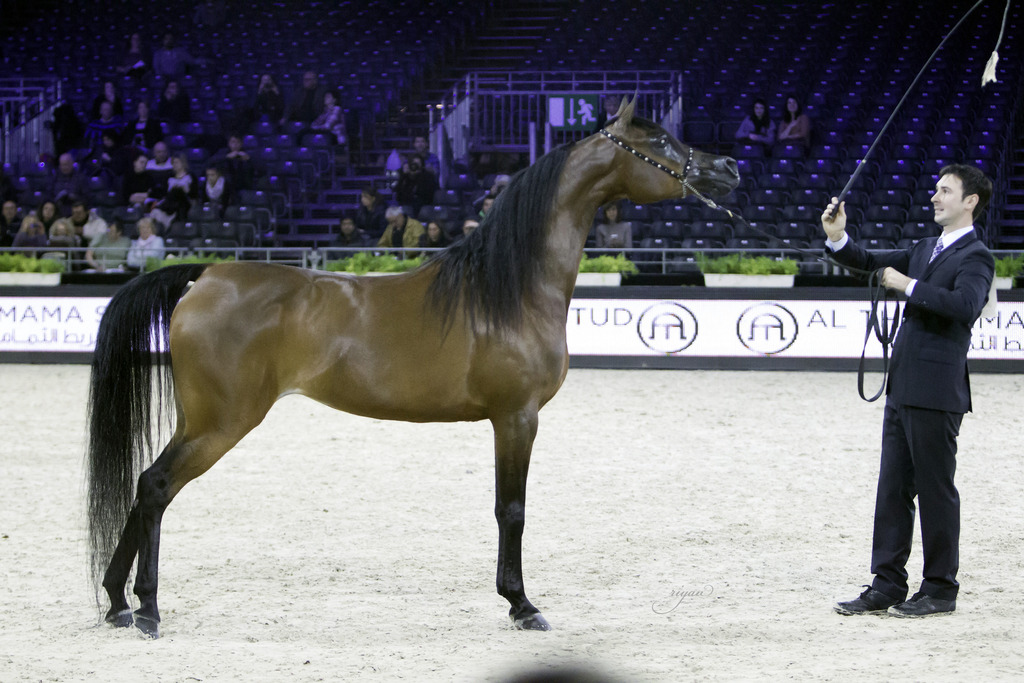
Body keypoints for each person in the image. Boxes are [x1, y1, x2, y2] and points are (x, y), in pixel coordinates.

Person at [825, 164, 995, 619]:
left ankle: (940, 588)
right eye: (936, 189)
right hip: (902, 387)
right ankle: (887, 584)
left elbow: (965, 306)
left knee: (936, 492)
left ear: (970, 201)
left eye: (945, 191)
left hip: (937, 391)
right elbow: (868, 262)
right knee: (892, 490)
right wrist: (838, 238)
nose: (935, 197)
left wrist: (909, 285)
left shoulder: (977, 257)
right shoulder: (922, 248)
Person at [150, 153, 197, 228]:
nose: (175, 165)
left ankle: (166, 210)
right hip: (170, 203)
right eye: (173, 163)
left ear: (183, 163)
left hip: (184, 202)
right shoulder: (169, 177)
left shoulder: (190, 176)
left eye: (177, 162)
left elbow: (194, 194)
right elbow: (165, 193)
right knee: (174, 191)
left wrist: (183, 189)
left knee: (177, 191)